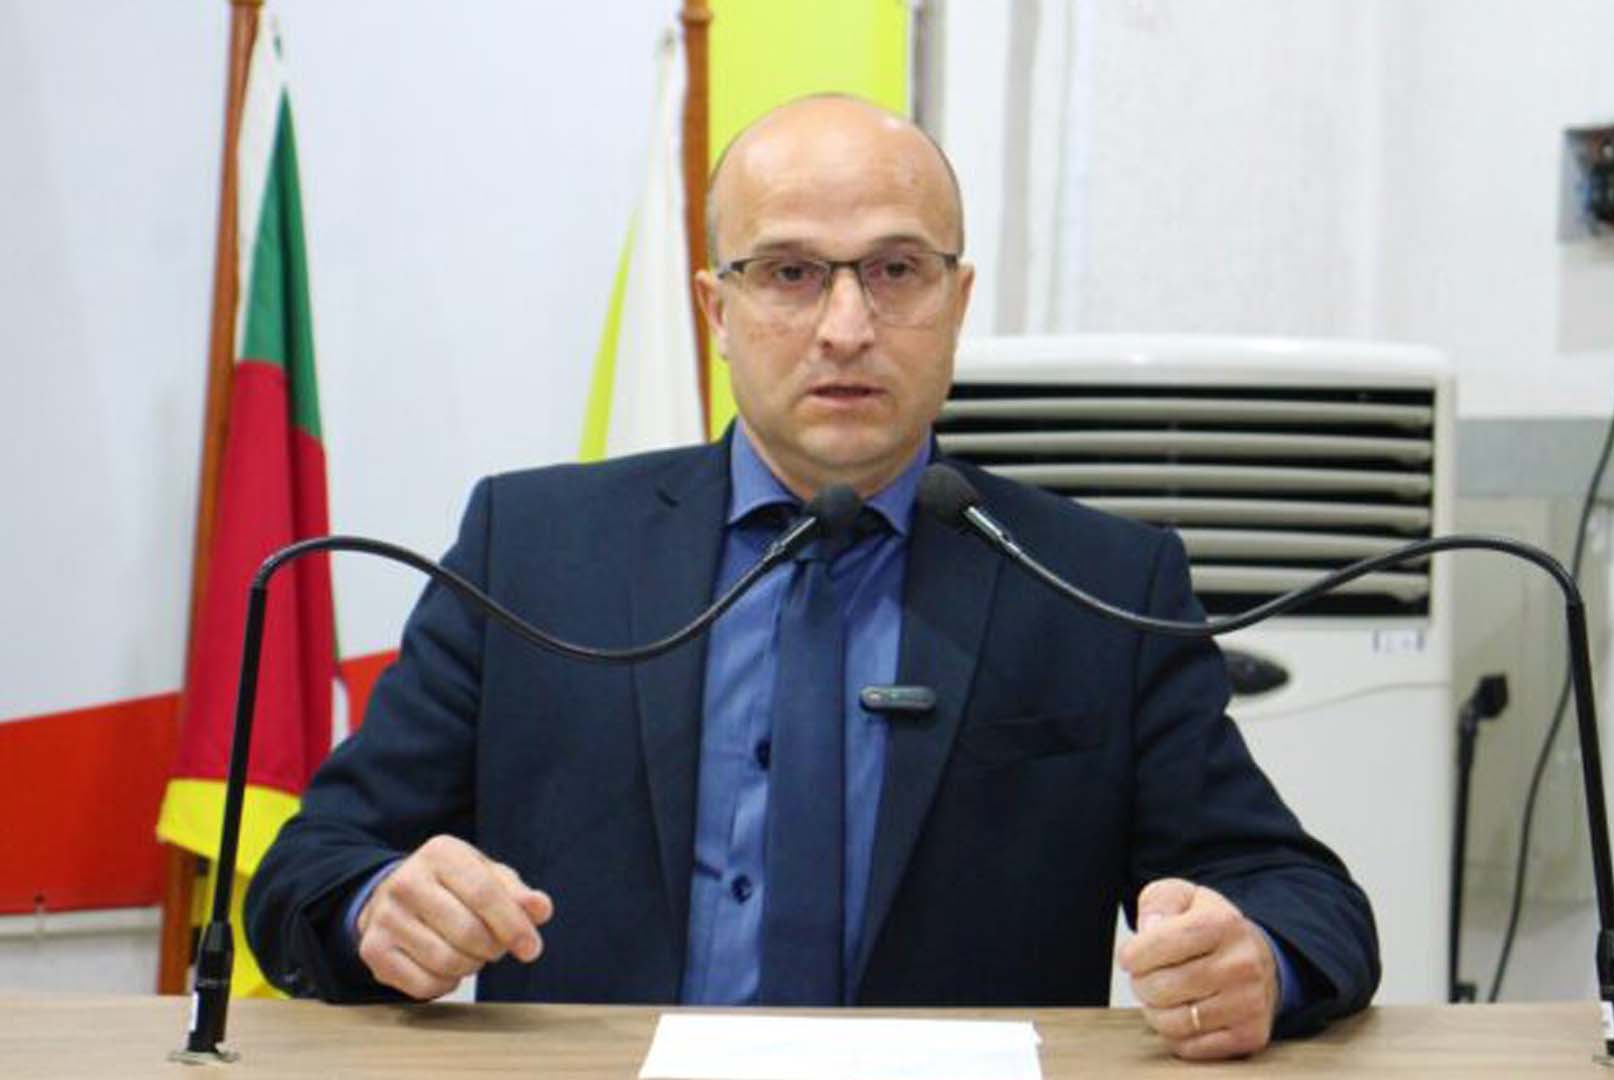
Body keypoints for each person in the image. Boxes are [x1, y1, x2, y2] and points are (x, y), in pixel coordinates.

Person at [246, 94, 1378, 1061]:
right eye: (789, 273)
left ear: (957, 302)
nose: (846, 326)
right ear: (716, 310)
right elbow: (313, 867)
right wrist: (381, 909)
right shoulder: (533, 549)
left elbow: (1302, 898)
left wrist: (1254, 958)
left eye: (896, 271)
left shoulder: (1098, 582)